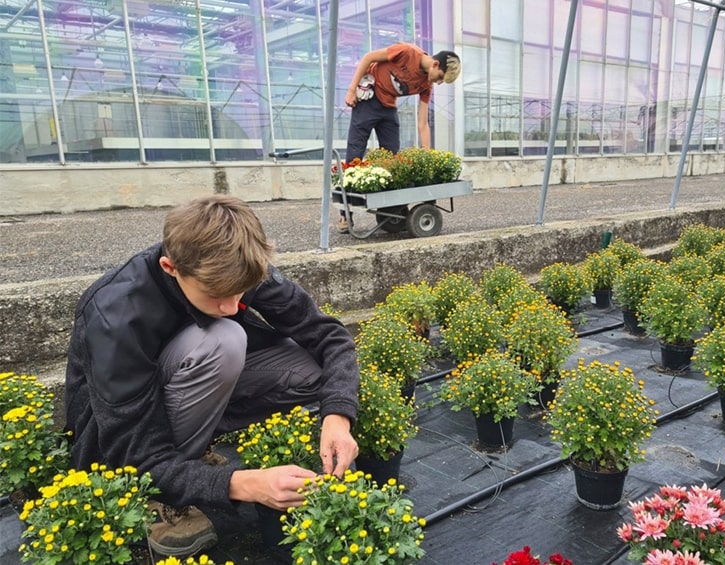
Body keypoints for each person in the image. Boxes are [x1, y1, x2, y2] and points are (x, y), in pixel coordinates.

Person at [64, 194, 360, 557]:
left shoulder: (240, 264)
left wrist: (338, 415)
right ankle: (158, 498)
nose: (232, 306)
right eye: (216, 295)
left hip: (180, 391)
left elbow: (330, 336)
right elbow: (133, 450)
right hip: (117, 440)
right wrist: (241, 484)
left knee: (309, 372)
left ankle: (192, 451)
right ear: (170, 267)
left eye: (239, 292)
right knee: (224, 338)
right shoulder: (116, 314)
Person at [338, 41, 461, 233]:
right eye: (439, 78)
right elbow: (368, 58)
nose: (438, 82)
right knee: (355, 154)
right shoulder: (406, 52)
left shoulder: (426, 86)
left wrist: (427, 157)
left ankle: (390, 211)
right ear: (435, 64)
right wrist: (352, 89)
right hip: (368, 100)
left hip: (388, 107)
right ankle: (346, 215)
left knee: (392, 159)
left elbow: (423, 123)